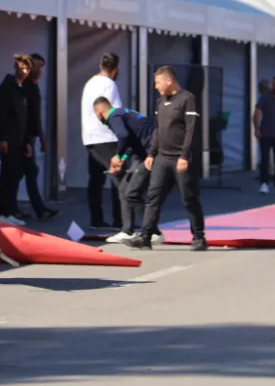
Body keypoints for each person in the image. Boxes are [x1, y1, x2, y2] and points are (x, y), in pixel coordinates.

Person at [126, 66, 207, 251]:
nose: (156, 86)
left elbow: (191, 129)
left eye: (157, 82)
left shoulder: (187, 99)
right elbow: (157, 130)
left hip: (181, 159)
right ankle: (145, 237)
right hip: (162, 159)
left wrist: (184, 156)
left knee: (189, 198)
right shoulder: (161, 102)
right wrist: (151, 153)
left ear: (169, 81)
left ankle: (199, 237)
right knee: (153, 197)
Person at [92, 97, 157, 244]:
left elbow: (123, 136)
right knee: (124, 188)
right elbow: (131, 140)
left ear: (99, 113)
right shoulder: (123, 113)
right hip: (142, 153)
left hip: (150, 154)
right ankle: (128, 230)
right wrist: (123, 157)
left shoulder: (114, 116)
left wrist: (117, 155)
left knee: (132, 193)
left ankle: (153, 231)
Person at [80, 52, 123, 229]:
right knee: (118, 177)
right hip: (106, 136)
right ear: (115, 69)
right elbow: (115, 112)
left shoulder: (90, 83)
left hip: (89, 137)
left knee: (95, 179)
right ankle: (120, 220)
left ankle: (96, 219)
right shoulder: (109, 85)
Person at [0, 54, 33, 224]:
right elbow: (1, 113)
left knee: (15, 174)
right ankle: (2, 211)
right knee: (7, 175)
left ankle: (9, 211)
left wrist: (27, 141)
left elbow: (25, 118)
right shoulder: (7, 86)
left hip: (19, 139)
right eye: (22, 68)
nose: (24, 72)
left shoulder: (22, 88)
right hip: (8, 138)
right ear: (15, 67)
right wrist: (2, 138)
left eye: (27, 69)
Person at [21, 53, 57, 220]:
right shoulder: (25, 87)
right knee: (22, 173)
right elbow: (24, 117)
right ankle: (9, 209)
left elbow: (36, 117)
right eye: (36, 66)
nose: (39, 69)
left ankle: (37, 208)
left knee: (25, 173)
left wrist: (42, 138)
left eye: (41, 66)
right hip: (23, 137)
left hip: (31, 137)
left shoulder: (34, 87)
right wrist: (26, 140)